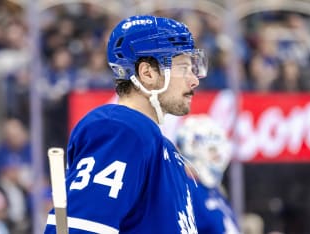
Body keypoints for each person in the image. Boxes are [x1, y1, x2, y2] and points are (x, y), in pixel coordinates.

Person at [44, 15, 207, 233]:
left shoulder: (161, 147)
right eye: (182, 68)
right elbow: (80, 229)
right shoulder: (121, 129)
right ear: (147, 73)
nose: (194, 79)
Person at [175, 115, 240, 234]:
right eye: (212, 150)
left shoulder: (212, 188)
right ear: (192, 149)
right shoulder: (183, 191)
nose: (218, 156)